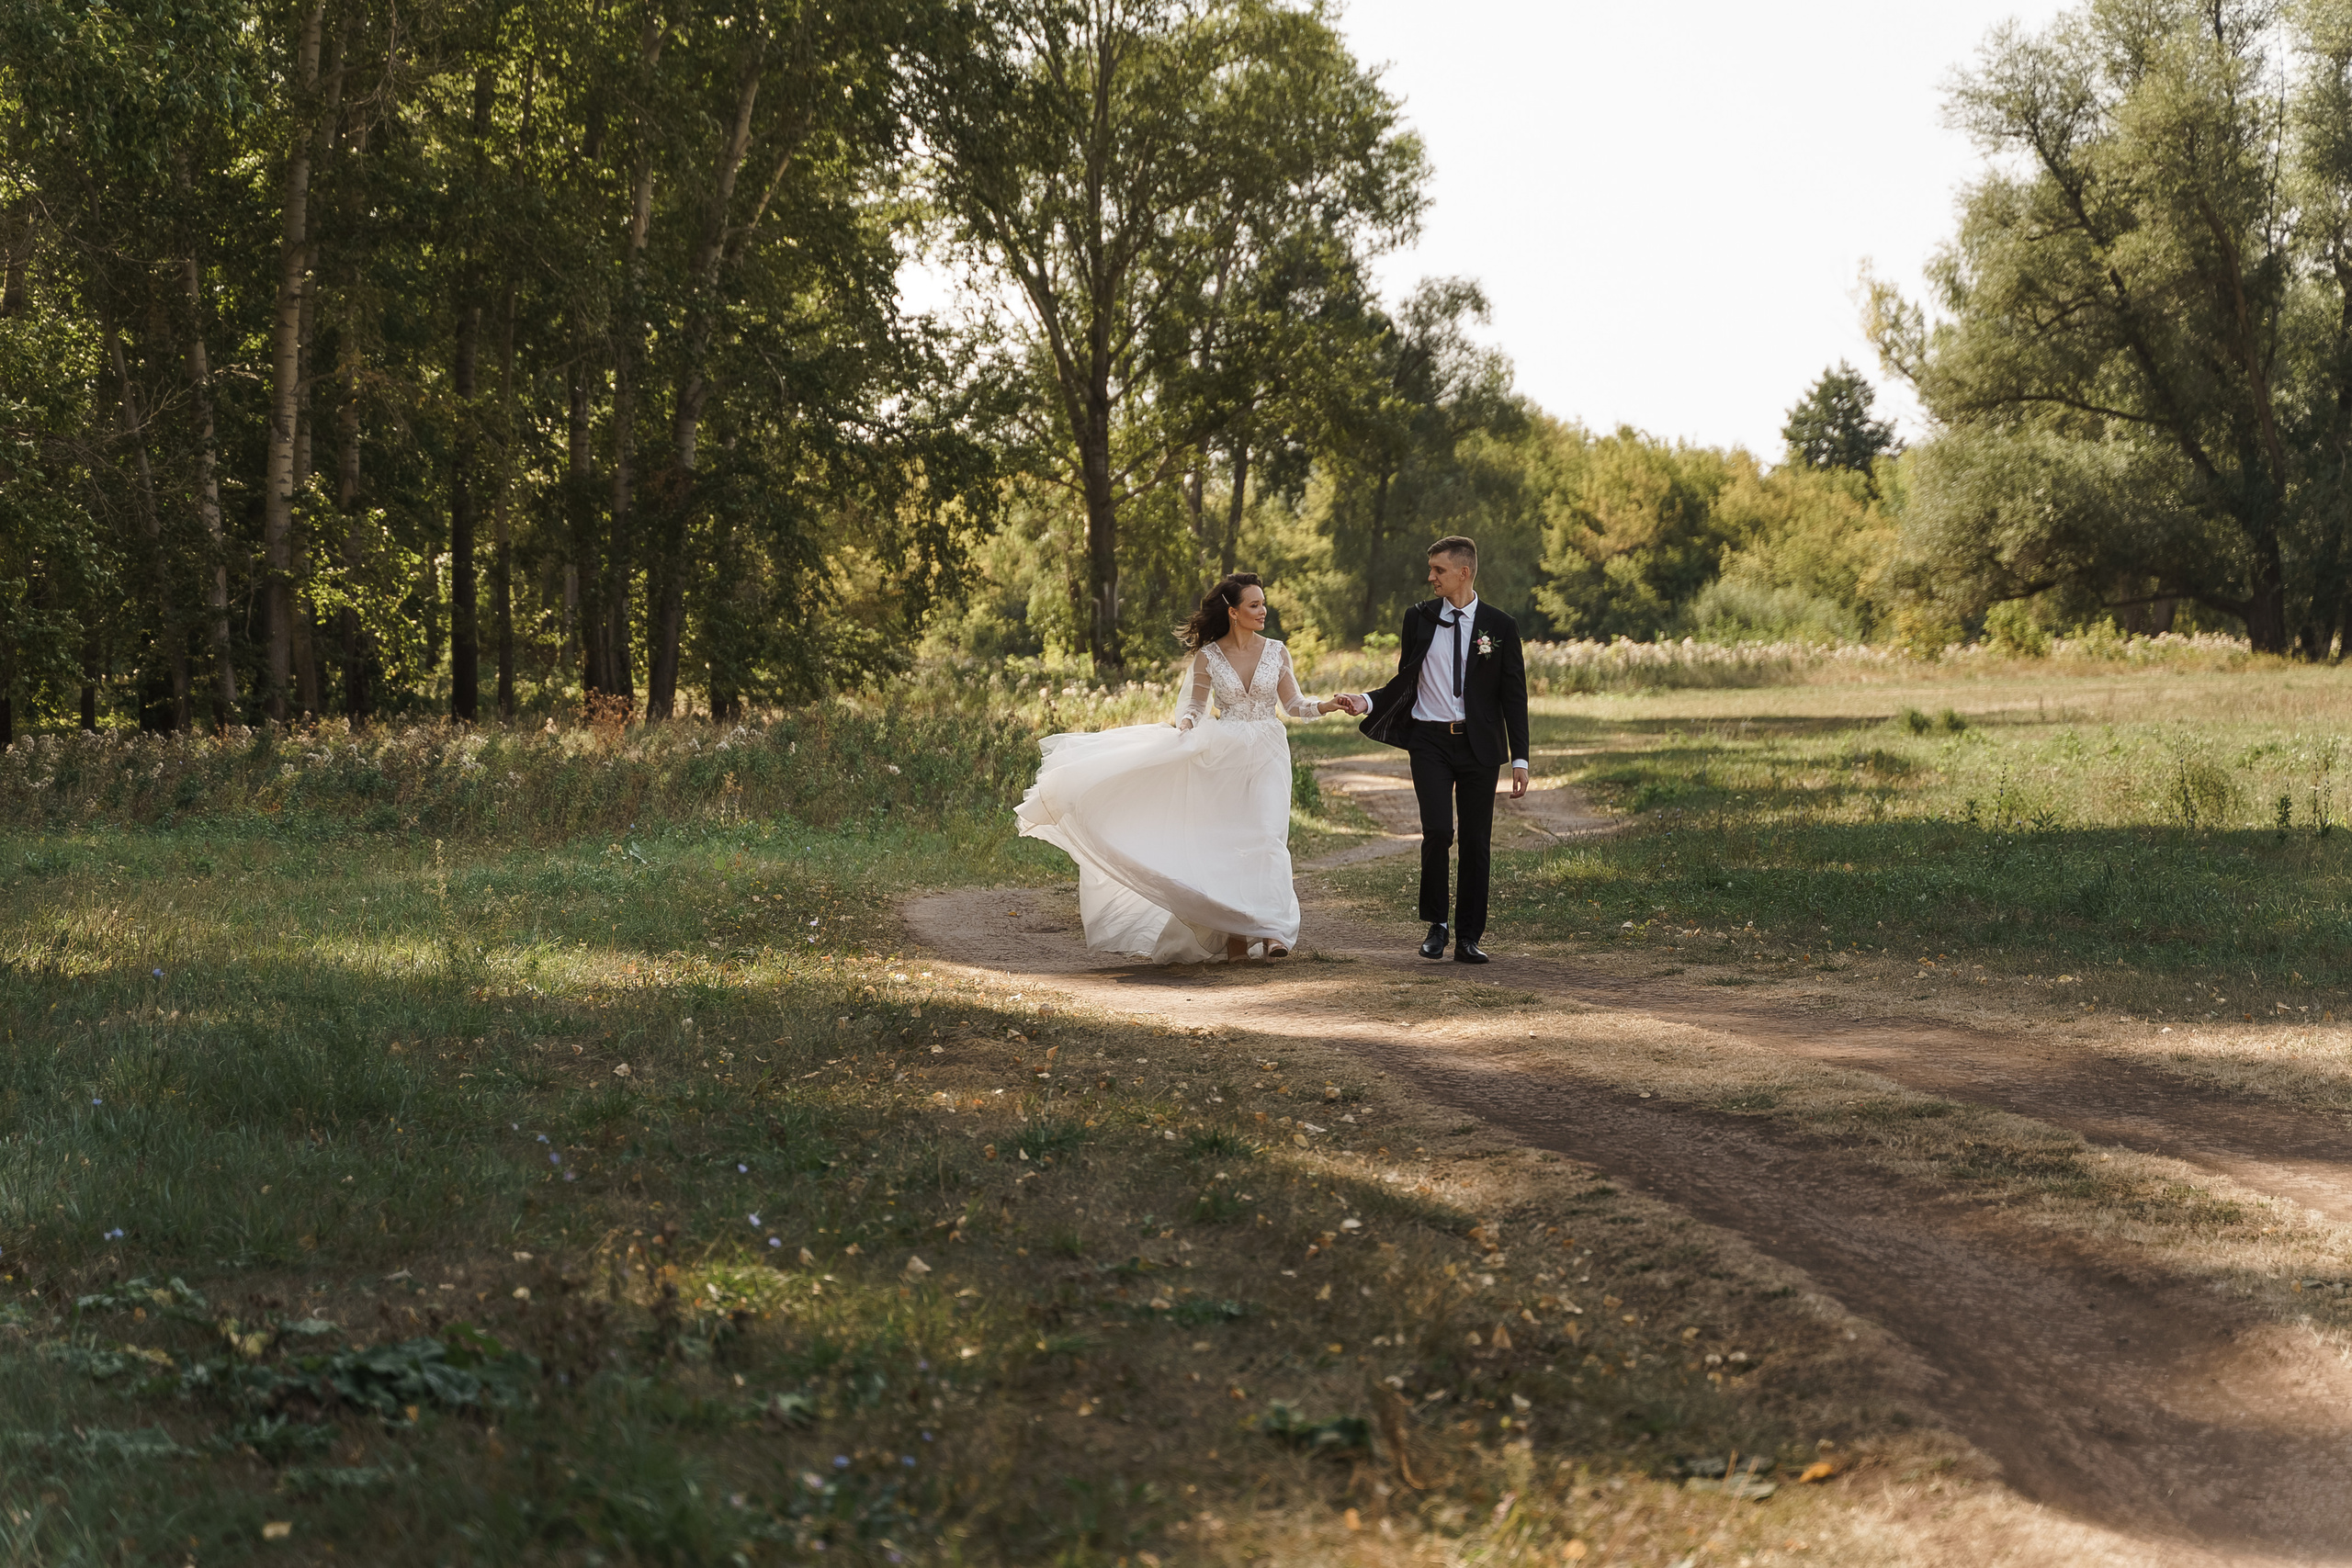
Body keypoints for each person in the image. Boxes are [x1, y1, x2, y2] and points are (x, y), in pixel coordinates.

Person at [1015, 573, 1361, 964]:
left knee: (1267, 836)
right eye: (1254, 605)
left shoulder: (1278, 651)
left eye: (1264, 604)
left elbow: (1294, 704)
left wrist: (1328, 706)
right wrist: (1187, 724)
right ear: (1233, 612)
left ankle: (1273, 930)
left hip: (1268, 751)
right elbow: (1195, 706)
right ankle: (1235, 938)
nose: (1263, 611)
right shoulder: (1209, 656)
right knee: (1232, 843)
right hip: (1223, 755)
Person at [1347, 535, 1529, 964]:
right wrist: (1366, 701)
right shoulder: (1419, 618)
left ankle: (1468, 936)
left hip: (1479, 745)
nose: (1430, 577)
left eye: (1438, 570)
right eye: (1430, 570)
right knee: (1437, 833)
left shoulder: (1499, 627)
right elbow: (1403, 679)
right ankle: (1437, 925)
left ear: (1463, 573)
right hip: (1428, 740)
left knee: (1476, 841)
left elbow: (1513, 696)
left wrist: (1519, 757)